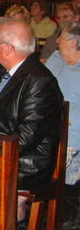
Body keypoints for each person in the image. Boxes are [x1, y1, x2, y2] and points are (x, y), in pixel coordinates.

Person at [0, 18, 63, 229]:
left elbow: (25, 138)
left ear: (7, 48)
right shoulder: (3, 74)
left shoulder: (40, 82)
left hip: (20, 163)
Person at [45, 21, 80, 185]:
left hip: (67, 138)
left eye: (62, 38)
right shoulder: (56, 57)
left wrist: (61, 113)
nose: (57, 41)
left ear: (74, 42)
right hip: (43, 129)